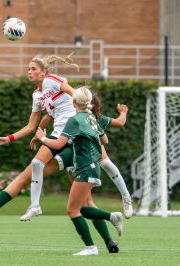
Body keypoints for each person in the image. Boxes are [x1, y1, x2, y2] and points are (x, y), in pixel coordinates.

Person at [0, 53, 78, 220]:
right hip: (57, 135)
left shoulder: (51, 80)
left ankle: (122, 203)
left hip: (74, 134)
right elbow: (32, 125)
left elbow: (73, 92)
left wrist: (86, 109)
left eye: (33, 69)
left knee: (83, 199)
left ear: (44, 72)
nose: (29, 72)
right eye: (28, 69)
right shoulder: (37, 95)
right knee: (29, 172)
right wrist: (8, 138)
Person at [35, 86, 123, 256]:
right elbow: (105, 139)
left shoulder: (74, 120)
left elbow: (58, 144)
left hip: (84, 167)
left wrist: (42, 138)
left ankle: (94, 244)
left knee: (73, 210)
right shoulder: (91, 118)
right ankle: (109, 222)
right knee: (81, 208)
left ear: (74, 101)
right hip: (91, 166)